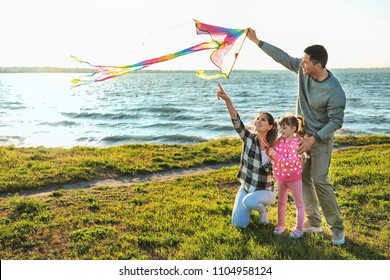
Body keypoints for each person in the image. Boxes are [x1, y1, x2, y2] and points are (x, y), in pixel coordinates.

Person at [247, 29, 346, 245]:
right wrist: (257, 41)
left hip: (319, 141)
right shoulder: (303, 71)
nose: (301, 63)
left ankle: (337, 228)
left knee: (319, 180)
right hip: (299, 139)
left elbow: (336, 121)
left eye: (306, 62)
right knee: (303, 180)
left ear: (318, 66)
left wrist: (314, 138)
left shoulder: (334, 90)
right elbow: (282, 57)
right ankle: (313, 221)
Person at [216, 83, 278, 228]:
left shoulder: (275, 147)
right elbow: (236, 122)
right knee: (238, 225)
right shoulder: (249, 139)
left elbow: (280, 169)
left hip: (265, 192)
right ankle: (250, 208)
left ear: (270, 126)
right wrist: (228, 101)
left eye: (263, 119)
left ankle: (263, 210)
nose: (259, 121)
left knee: (249, 202)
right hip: (247, 188)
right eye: (257, 119)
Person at [268, 114, 305, 239]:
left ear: (294, 129)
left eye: (285, 128)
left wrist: (276, 155)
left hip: (294, 178)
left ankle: (299, 229)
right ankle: (281, 225)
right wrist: (272, 153)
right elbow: (275, 157)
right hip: (281, 177)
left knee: (298, 204)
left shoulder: (295, 143)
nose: (281, 130)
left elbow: (291, 162)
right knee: (281, 203)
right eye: (281, 128)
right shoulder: (279, 141)